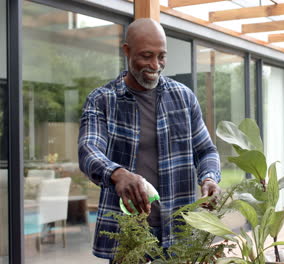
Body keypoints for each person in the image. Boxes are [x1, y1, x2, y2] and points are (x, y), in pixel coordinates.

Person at [78, 18, 221, 261]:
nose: (155, 64)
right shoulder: (102, 100)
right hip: (128, 233)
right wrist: (118, 174)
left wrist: (209, 177)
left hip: (179, 231)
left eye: (161, 56)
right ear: (127, 51)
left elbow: (206, 150)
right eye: (146, 55)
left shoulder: (184, 98)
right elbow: (88, 149)